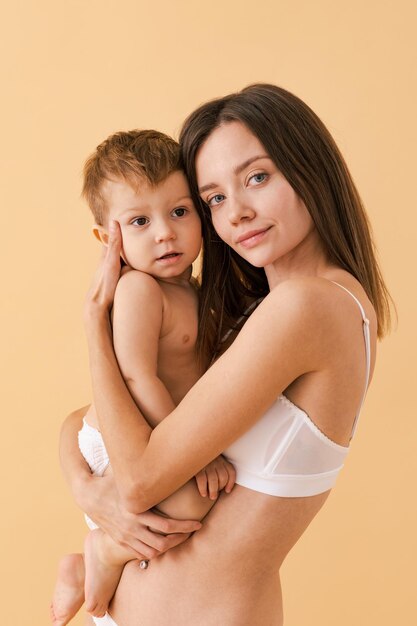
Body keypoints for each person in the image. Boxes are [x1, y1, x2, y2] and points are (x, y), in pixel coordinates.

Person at [60, 84, 392, 626]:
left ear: (309, 169)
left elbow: (142, 477)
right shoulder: (260, 312)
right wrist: (85, 487)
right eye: (214, 197)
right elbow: (89, 417)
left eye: (257, 177)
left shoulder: (307, 307)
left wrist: (96, 325)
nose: (236, 213)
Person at [51, 130, 236, 626]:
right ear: (107, 239)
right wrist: (196, 449)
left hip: (154, 437)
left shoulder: (195, 291)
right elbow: (137, 378)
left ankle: (81, 567)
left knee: (182, 520)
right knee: (191, 503)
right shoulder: (138, 290)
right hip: (117, 441)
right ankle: (100, 550)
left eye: (179, 212)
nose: (165, 233)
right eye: (139, 220)